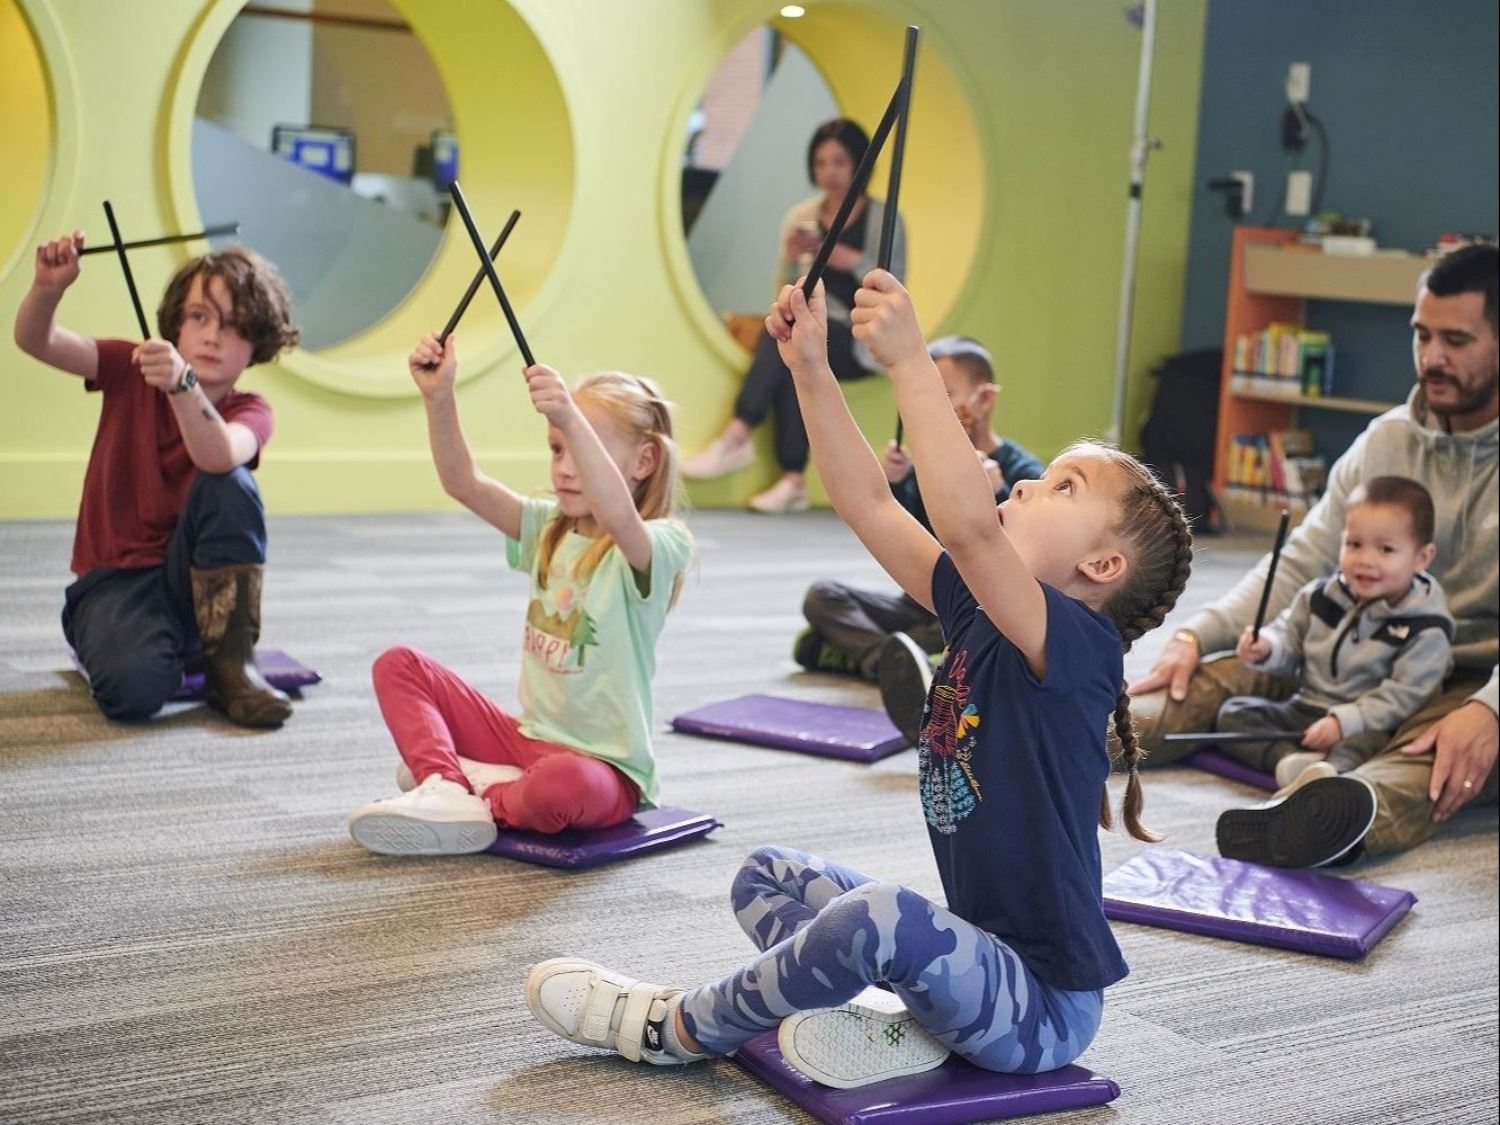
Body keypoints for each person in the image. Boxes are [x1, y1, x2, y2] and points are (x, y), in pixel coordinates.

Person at [522, 270, 1193, 1090]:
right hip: (967, 958)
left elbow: (971, 528)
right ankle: (900, 1024)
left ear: (1102, 565)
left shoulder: (1081, 647)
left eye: (1062, 486)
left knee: (881, 917)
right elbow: (871, 505)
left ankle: (678, 1024)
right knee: (764, 873)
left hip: (1043, 1009)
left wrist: (912, 360)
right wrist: (811, 367)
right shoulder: (984, 610)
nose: (1026, 481)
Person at [1128, 242, 1498, 869]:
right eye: (1422, 334)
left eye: (1456, 341)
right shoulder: (1387, 439)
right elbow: (1300, 562)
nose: (1431, 357)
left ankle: (1328, 814)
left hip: (1462, 681)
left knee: (1429, 765)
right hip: (1344, 645)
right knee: (1219, 669)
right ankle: (1064, 731)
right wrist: (1197, 634)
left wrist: (1490, 709)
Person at [345, 333, 693, 855]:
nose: (566, 466)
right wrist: (438, 398)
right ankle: (447, 783)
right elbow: (463, 482)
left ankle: (475, 789)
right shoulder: (549, 527)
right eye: (557, 449)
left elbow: (620, 514)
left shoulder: (659, 544)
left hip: (604, 770)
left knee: (560, 789)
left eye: (582, 450)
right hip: (523, 742)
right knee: (399, 665)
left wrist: (570, 419)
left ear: (643, 462)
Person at [14, 231, 299, 727]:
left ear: (257, 342)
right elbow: (36, 340)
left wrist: (183, 385)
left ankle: (231, 662)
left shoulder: (252, 410)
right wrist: (48, 288)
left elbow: (217, 457)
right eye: (198, 317)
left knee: (230, 482)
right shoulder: (130, 367)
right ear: (176, 323)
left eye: (234, 325)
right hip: (116, 583)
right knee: (135, 694)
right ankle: (111, 637)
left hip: (199, 587)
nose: (212, 336)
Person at [793, 336, 1044, 744]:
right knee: (822, 596)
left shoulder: (1021, 473)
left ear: (985, 398)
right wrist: (894, 484)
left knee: (978, 637)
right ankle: (886, 660)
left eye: (945, 394)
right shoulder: (923, 467)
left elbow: (1026, 558)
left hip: (970, 608)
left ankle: (861, 653)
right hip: (919, 597)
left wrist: (995, 496)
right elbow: (902, 531)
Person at [681, 118, 906, 514]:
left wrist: (840, 256)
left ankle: (739, 435)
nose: (829, 173)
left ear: (859, 164)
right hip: (815, 323)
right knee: (793, 339)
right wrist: (791, 258)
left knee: (800, 339)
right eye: (821, 163)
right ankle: (791, 478)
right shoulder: (801, 215)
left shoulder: (883, 219)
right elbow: (786, 286)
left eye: (839, 162)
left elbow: (893, 283)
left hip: (858, 338)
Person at [1215, 477, 1452, 798]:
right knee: (1234, 715)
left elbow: (1404, 697)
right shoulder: (1319, 595)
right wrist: (1268, 647)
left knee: (1375, 750)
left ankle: (1330, 773)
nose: (1366, 559)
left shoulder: (1427, 626)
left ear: (1422, 558)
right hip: (1305, 709)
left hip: (1369, 724)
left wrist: (1344, 722)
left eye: (1386, 549)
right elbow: (1289, 636)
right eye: (1354, 544)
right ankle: (1290, 765)